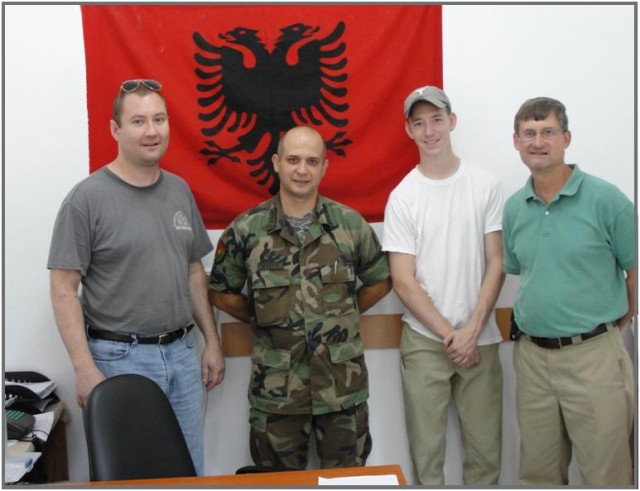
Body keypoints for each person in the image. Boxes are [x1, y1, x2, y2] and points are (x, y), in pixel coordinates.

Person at [48, 79, 225, 475]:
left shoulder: (179, 190)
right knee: (130, 475)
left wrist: (211, 341)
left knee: (188, 471)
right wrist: (83, 368)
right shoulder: (86, 199)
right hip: (118, 360)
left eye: (159, 119)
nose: (151, 131)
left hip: (182, 355)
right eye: (139, 121)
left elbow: (194, 270)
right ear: (116, 129)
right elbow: (63, 289)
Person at [208, 125, 391, 470]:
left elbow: (380, 281)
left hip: (341, 388)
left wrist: (344, 313)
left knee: (348, 484)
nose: (302, 170)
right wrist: (262, 316)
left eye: (311, 161)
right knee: (276, 486)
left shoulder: (350, 225)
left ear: (324, 167)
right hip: (278, 392)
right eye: (293, 159)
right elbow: (220, 292)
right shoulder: (247, 229)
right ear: (276, 163)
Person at [503, 97, 634, 485]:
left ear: (566, 137)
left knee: (604, 472)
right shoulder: (514, 208)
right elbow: (522, 270)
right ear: (516, 142)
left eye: (548, 132)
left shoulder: (606, 199)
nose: (538, 141)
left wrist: (614, 321)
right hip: (532, 359)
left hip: (593, 358)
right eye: (529, 133)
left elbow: (634, 272)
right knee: (538, 474)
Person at [382, 86, 505, 485]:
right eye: (419, 123)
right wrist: (451, 335)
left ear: (451, 122)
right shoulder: (403, 197)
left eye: (436, 119)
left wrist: (471, 331)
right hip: (424, 342)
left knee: (486, 454)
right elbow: (403, 280)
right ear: (408, 131)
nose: (429, 130)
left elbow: (497, 261)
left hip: (480, 337)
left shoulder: (485, 185)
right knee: (426, 455)